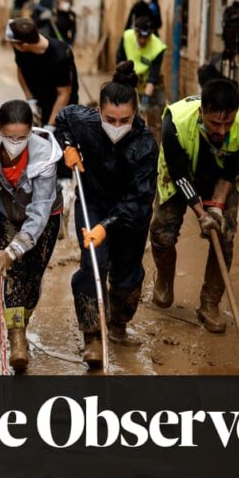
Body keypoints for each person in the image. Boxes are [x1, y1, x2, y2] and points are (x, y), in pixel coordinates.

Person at [57, 61, 158, 368]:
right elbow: (62, 119)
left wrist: (106, 226)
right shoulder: (83, 121)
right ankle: (92, 336)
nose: (116, 126)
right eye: (109, 119)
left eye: (124, 119)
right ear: (98, 112)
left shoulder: (146, 145)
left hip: (130, 215)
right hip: (94, 202)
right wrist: (68, 146)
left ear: (136, 114)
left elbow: (140, 200)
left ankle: (118, 324)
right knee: (93, 267)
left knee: (127, 277)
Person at [150, 79, 239, 333]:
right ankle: (164, 279)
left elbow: (230, 172)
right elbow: (179, 176)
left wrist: (216, 210)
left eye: (227, 123)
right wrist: (200, 213)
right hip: (181, 171)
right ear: (201, 112)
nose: (221, 130)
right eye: (214, 123)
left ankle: (210, 303)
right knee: (162, 232)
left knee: (225, 234)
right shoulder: (175, 123)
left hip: (220, 174)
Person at [0, 101, 62, 373]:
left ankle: (22, 322)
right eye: (9, 137)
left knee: (32, 276)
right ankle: (16, 338)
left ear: (31, 133)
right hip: (7, 215)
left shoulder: (45, 157)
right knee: (12, 275)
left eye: (22, 138)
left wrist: (13, 250)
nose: (15, 143)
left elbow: (39, 213)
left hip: (45, 219)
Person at [5, 17, 79, 131]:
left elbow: (64, 94)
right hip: (40, 102)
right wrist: (30, 100)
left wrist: (50, 126)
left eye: (12, 44)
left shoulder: (61, 56)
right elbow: (21, 71)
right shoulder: (21, 45)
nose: (12, 46)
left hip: (62, 108)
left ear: (24, 45)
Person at [116, 17, 166, 139]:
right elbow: (119, 61)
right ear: (135, 33)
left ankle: (154, 147)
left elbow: (153, 77)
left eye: (146, 37)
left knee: (155, 117)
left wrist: (145, 101)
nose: (143, 40)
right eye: (140, 36)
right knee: (128, 116)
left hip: (151, 83)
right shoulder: (127, 37)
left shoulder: (158, 47)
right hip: (131, 77)